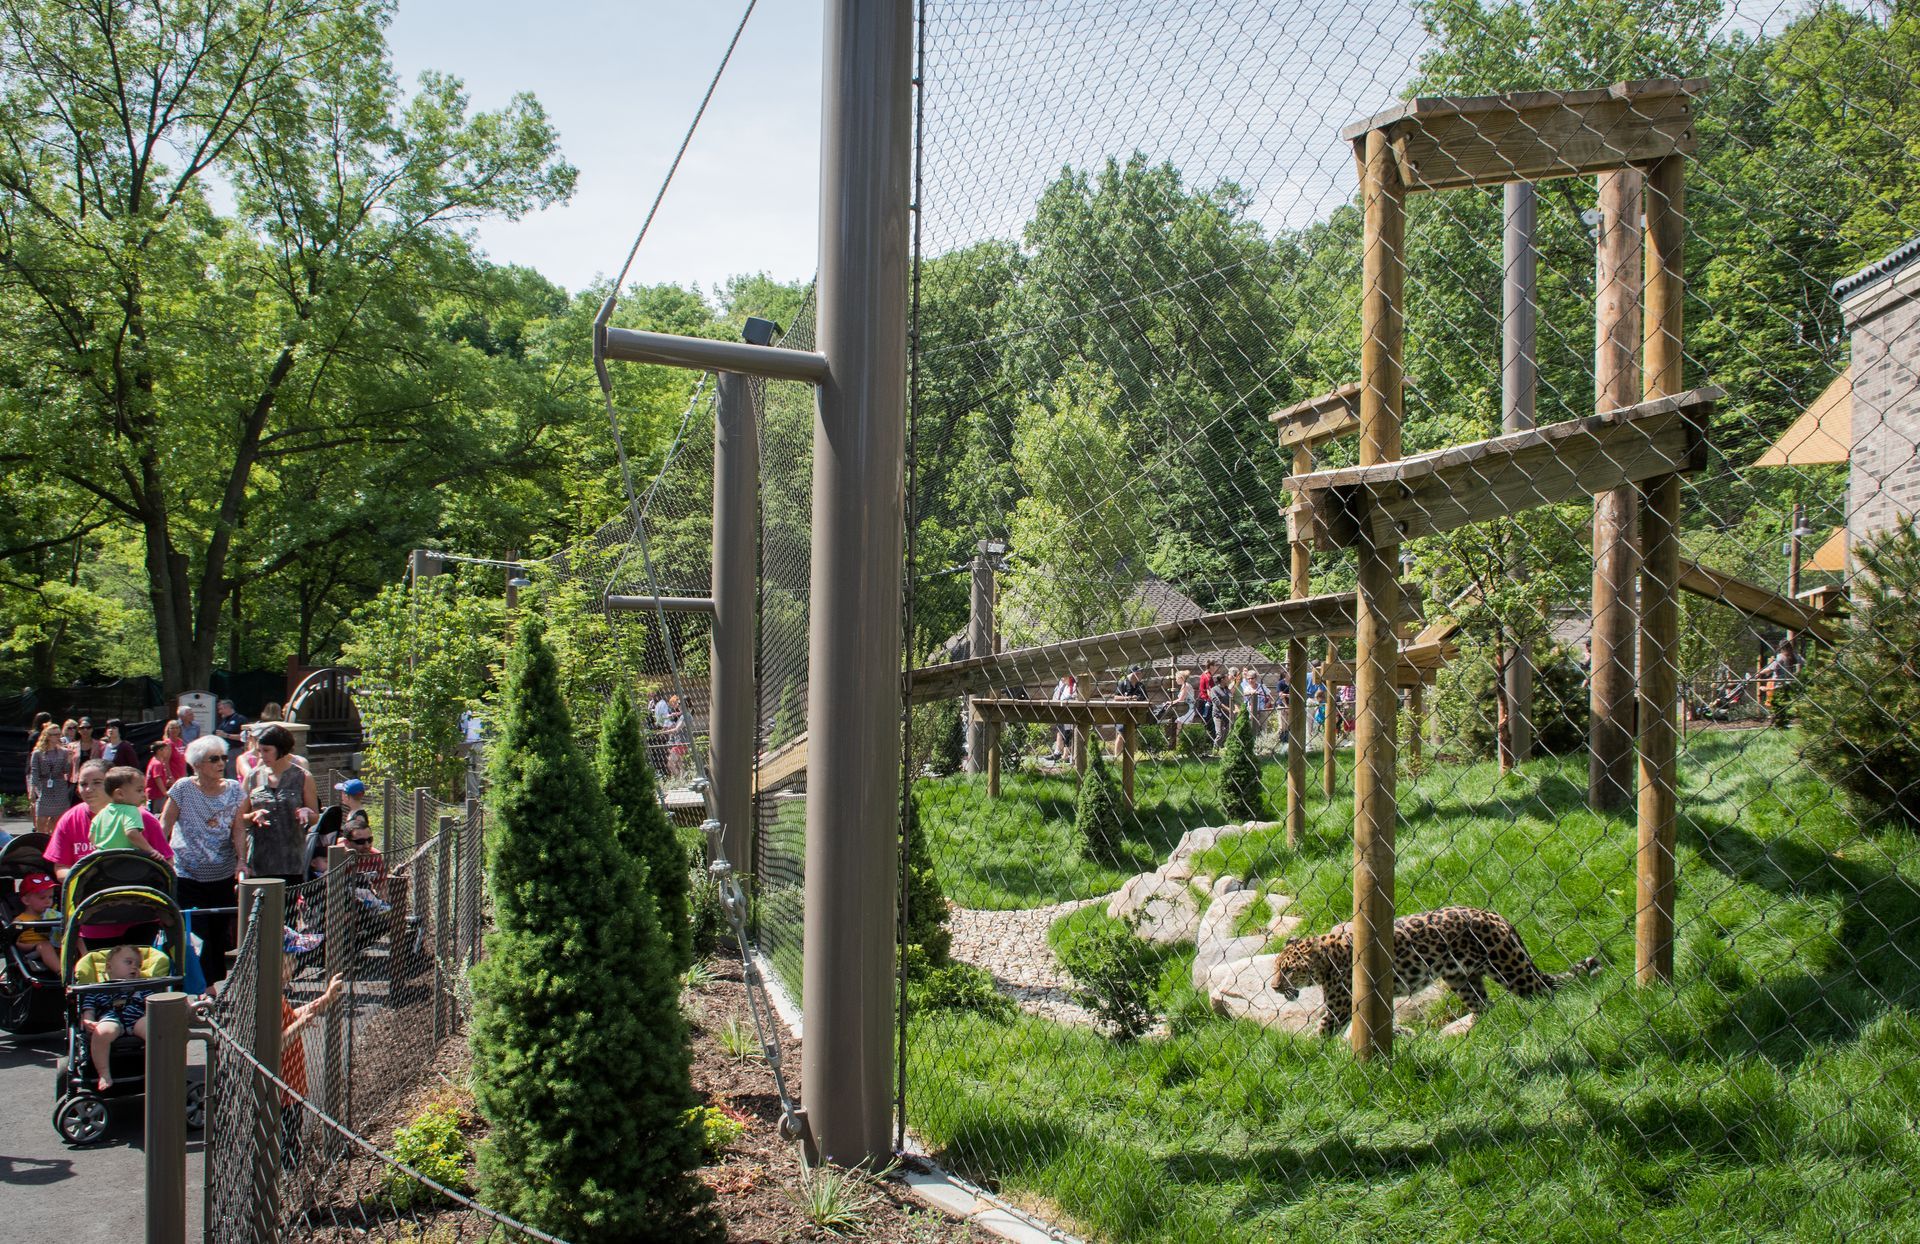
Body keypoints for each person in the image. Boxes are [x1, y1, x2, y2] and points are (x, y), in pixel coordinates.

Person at [163, 736, 244, 985]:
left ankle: (213, 982)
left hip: (221, 871)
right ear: (197, 764)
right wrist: (163, 857)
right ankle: (204, 988)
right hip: (187, 871)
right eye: (214, 759)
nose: (221, 763)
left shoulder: (234, 789)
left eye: (223, 758)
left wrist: (242, 860)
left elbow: (238, 829)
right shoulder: (182, 788)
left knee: (220, 933)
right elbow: (164, 823)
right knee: (198, 931)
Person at [239, 724, 319, 887]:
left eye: (267, 750)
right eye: (259, 751)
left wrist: (305, 812)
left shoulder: (302, 777)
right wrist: (253, 816)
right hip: (259, 860)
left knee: (287, 910)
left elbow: (315, 818)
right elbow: (239, 818)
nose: (262, 756)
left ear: (281, 749)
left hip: (290, 862)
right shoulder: (253, 776)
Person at [80, 945, 152, 1090]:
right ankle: (104, 1073)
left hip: (137, 1018)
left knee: (155, 1030)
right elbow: (89, 1008)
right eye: (128, 962)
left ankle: (158, 1070)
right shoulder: (97, 989)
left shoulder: (142, 987)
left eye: (138, 965)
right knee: (102, 1032)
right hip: (110, 1018)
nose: (134, 968)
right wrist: (88, 1020)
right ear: (109, 967)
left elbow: (154, 1004)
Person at [91, 767, 166, 859]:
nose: (143, 794)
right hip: (124, 860)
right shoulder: (131, 810)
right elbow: (131, 833)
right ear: (120, 794)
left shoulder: (102, 812)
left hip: (102, 859)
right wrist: (150, 850)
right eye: (139, 790)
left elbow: (91, 836)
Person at [11, 872, 61, 974]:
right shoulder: (21, 920)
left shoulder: (52, 916)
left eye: (50, 897)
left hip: (52, 946)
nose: (48, 902)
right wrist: (34, 945)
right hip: (31, 951)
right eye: (42, 898)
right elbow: (15, 943)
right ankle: (62, 972)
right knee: (45, 946)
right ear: (26, 901)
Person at [29, 723, 71, 832]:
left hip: (59, 787)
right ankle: (41, 840)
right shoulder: (38, 753)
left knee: (58, 820)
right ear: (47, 736)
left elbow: (66, 770)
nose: (57, 737)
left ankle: (52, 841)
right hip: (44, 785)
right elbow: (34, 771)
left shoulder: (64, 752)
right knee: (41, 819)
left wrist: (70, 760)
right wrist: (32, 789)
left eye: (58, 734)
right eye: (54, 734)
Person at [1048, 674, 1079, 761]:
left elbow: (1075, 697)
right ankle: (1059, 753)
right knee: (1062, 732)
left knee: (1068, 734)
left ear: (1069, 677)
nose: (1062, 679)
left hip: (1070, 713)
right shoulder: (1064, 687)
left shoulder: (1074, 686)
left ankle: (1066, 755)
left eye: (1064, 677)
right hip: (1062, 713)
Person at [145, 739, 179, 814]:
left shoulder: (156, 761)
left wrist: (166, 783)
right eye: (166, 749)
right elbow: (157, 778)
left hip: (156, 794)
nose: (168, 751)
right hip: (156, 795)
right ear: (159, 751)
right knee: (157, 814)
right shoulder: (157, 764)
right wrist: (165, 792)